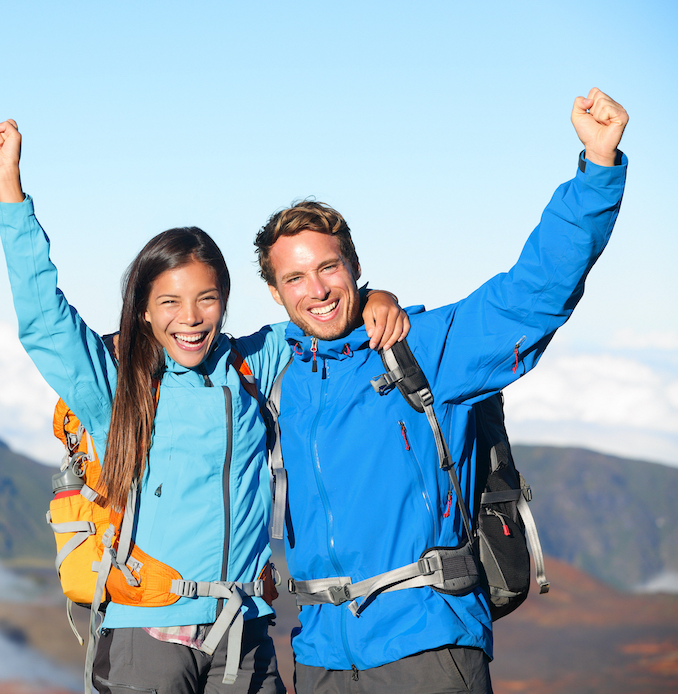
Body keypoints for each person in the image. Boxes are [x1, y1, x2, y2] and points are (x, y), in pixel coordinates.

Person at [0, 119, 408, 694]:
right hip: (145, 634)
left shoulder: (255, 364)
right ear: (143, 311)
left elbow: (321, 311)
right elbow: (43, 321)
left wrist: (377, 295)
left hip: (244, 635)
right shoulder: (117, 386)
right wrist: (9, 188)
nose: (191, 316)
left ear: (225, 303)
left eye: (207, 298)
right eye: (170, 302)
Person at [252, 88, 628, 694]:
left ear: (353, 265)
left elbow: (530, 295)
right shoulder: (276, 373)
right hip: (321, 655)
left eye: (328, 268)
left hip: (428, 646)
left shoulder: (423, 347)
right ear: (275, 293)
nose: (316, 290)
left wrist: (597, 172)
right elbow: (179, 350)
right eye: (294, 277)